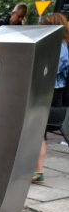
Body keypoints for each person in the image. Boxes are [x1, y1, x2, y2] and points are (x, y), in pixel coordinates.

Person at [33, 13, 69, 185]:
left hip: (50, 93)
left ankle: (38, 170)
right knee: (38, 132)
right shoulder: (60, 45)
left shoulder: (60, 47)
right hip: (51, 92)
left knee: (37, 131)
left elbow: (50, 71)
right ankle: (36, 170)